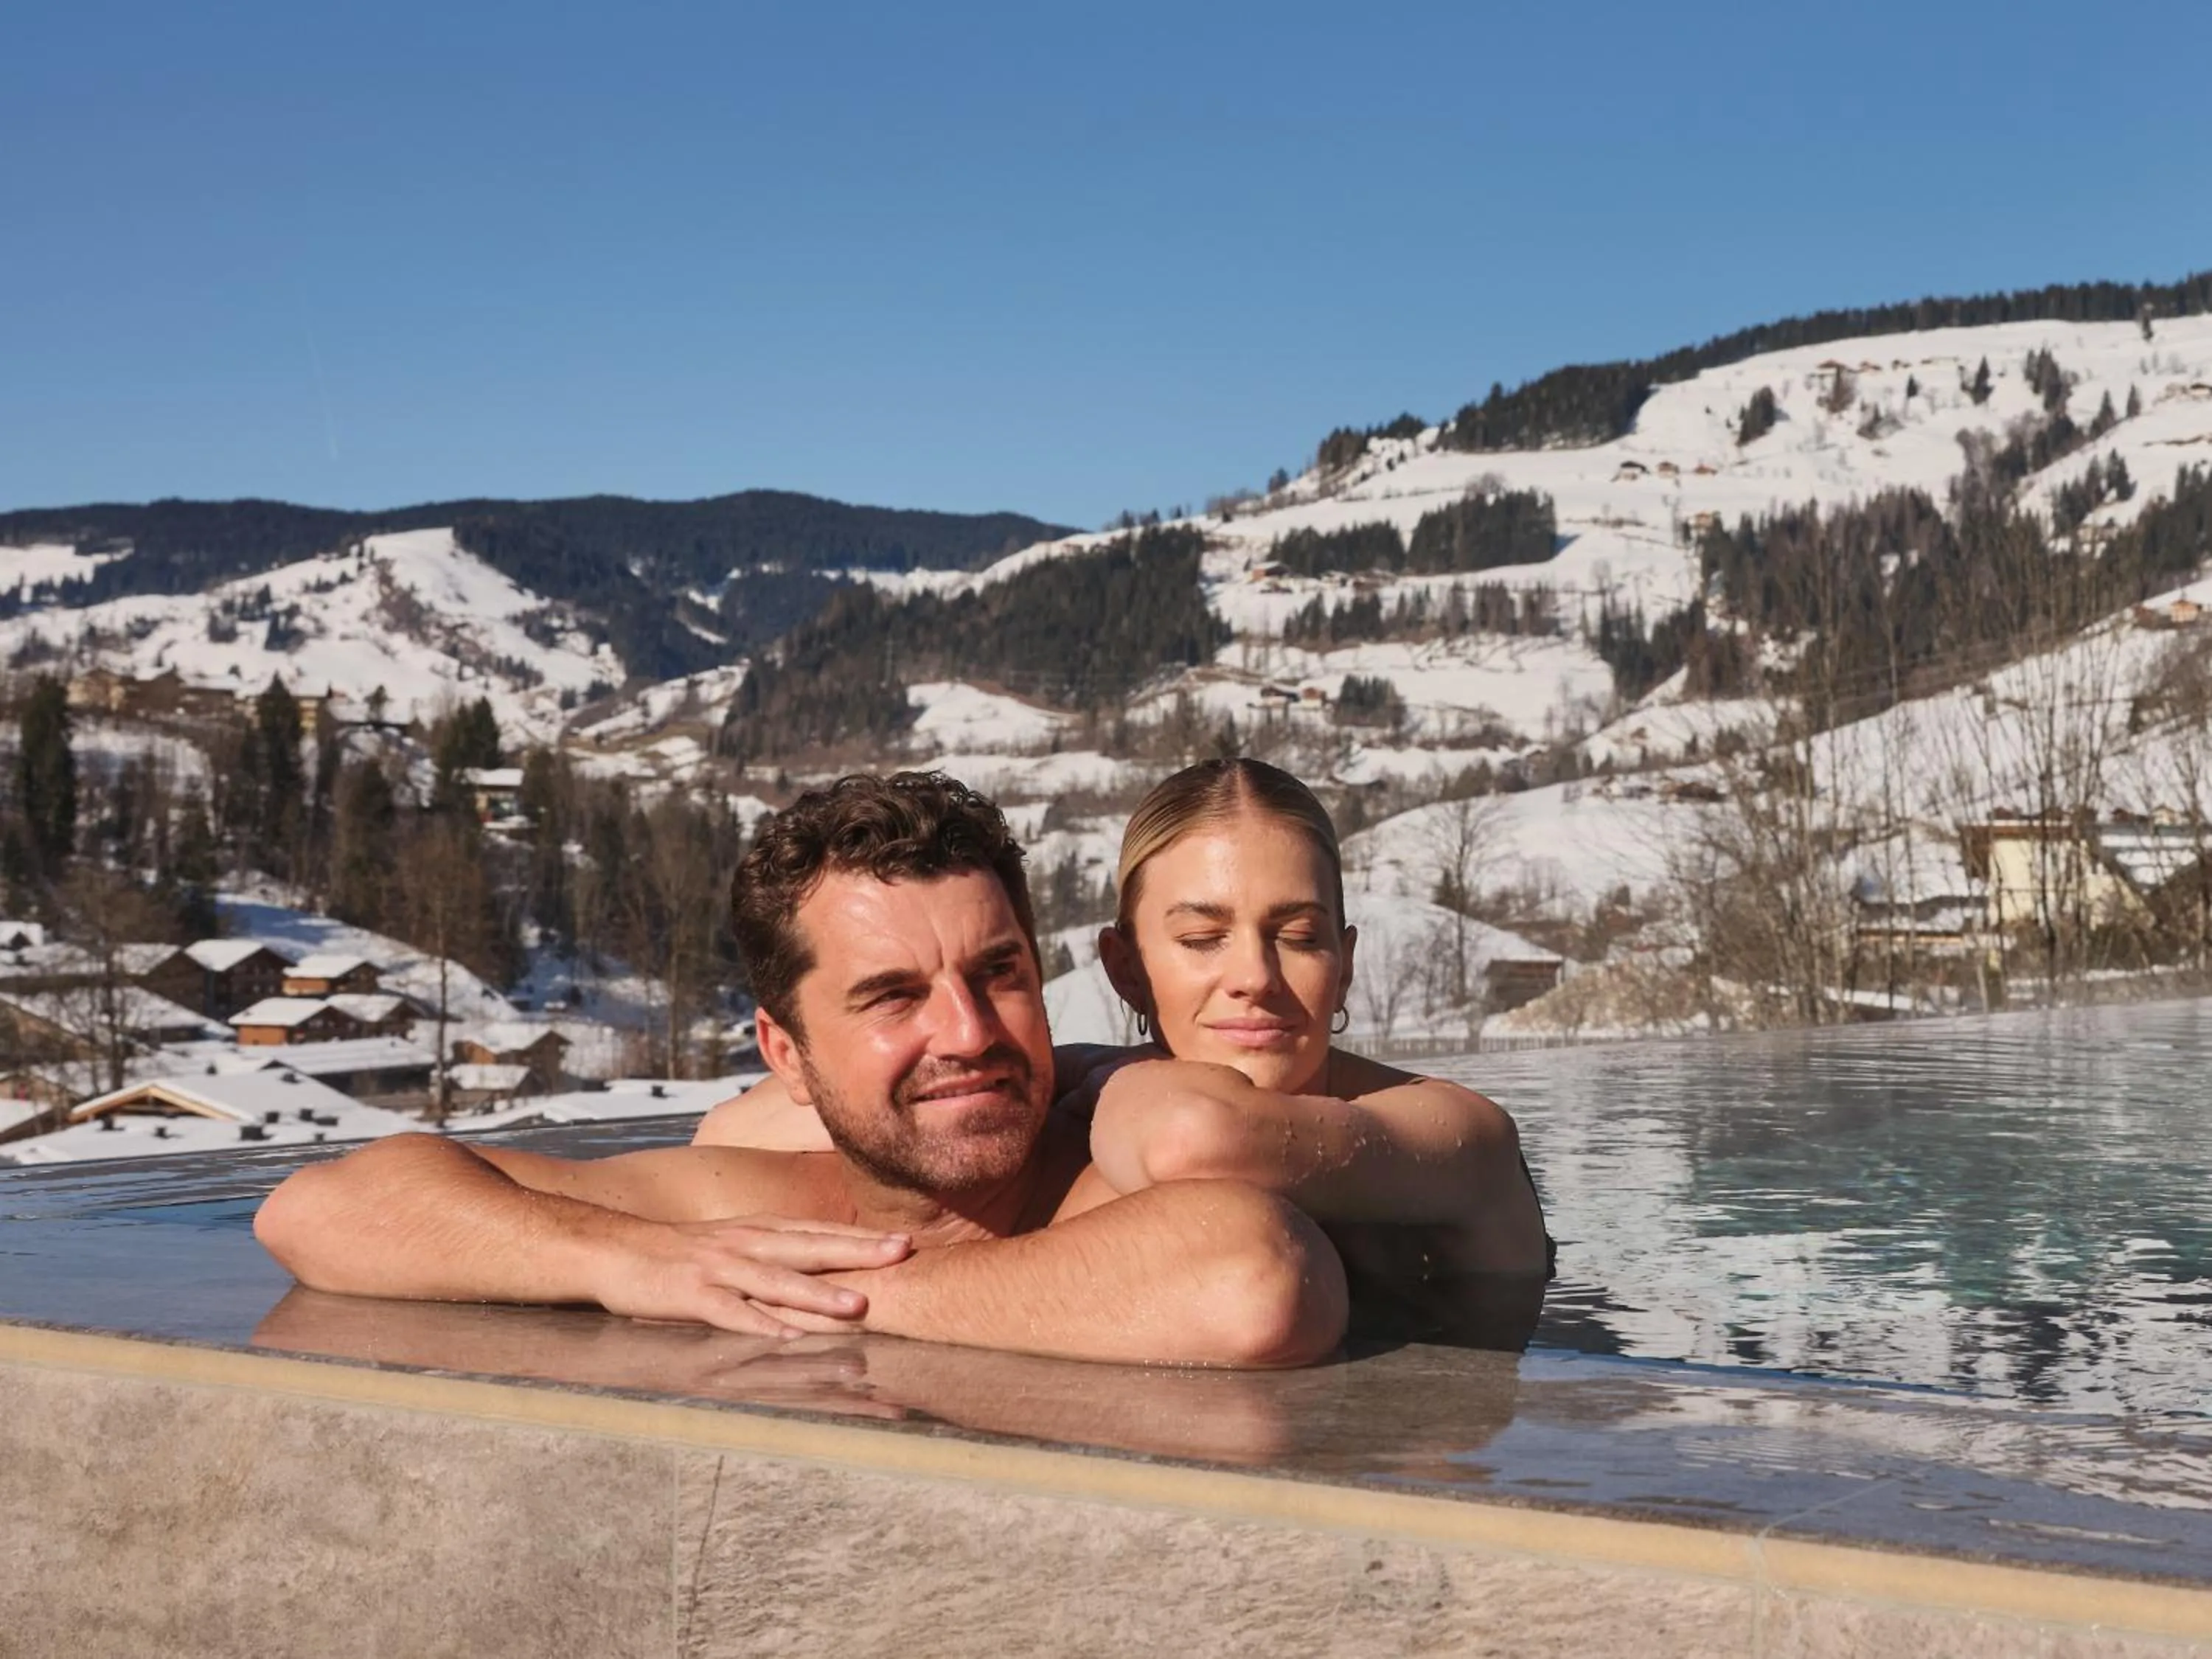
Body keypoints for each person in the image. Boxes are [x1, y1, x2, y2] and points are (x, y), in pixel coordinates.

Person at [254, 773, 1347, 1369]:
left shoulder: (1105, 1163)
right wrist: (631, 1261)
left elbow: (1251, 1275)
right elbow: (325, 1206)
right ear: (788, 1053)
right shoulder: (766, 1199)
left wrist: (837, 1300)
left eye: (998, 971)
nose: (969, 1031)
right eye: (893, 995)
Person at [700, 758, 1551, 1342]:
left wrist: (1091, 1073)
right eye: (1202, 939)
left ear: (1346, 959)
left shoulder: (1453, 1129)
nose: (1254, 976)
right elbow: (731, 1132)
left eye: (1298, 935)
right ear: (1127, 970)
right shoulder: (1097, 1099)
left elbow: (1198, 1138)